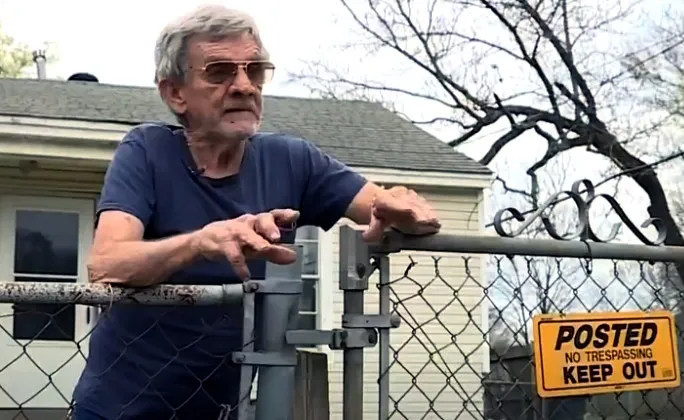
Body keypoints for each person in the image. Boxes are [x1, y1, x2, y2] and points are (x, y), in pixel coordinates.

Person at [69, 4, 440, 420]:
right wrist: (203, 242)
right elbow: (107, 263)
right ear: (175, 93)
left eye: (255, 71)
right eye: (220, 72)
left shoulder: (291, 160)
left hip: (222, 412)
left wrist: (399, 207)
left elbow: (378, 203)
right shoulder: (147, 151)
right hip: (118, 411)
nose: (245, 86)